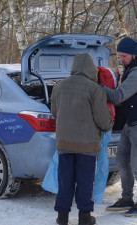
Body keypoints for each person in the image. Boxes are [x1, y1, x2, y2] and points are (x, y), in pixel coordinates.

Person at [51, 53, 113, 225]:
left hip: (64, 143)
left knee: (65, 181)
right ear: (90, 69)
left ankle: (62, 217)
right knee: (85, 182)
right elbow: (102, 119)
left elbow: (55, 112)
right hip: (87, 146)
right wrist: (109, 124)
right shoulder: (94, 89)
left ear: (74, 67)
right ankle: (84, 217)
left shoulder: (59, 87)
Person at [104, 36, 137, 217]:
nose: (121, 60)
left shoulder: (136, 73)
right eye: (120, 56)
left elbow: (118, 96)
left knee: (136, 165)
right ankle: (126, 198)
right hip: (129, 124)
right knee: (122, 161)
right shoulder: (129, 70)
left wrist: (100, 88)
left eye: (124, 56)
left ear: (134, 55)